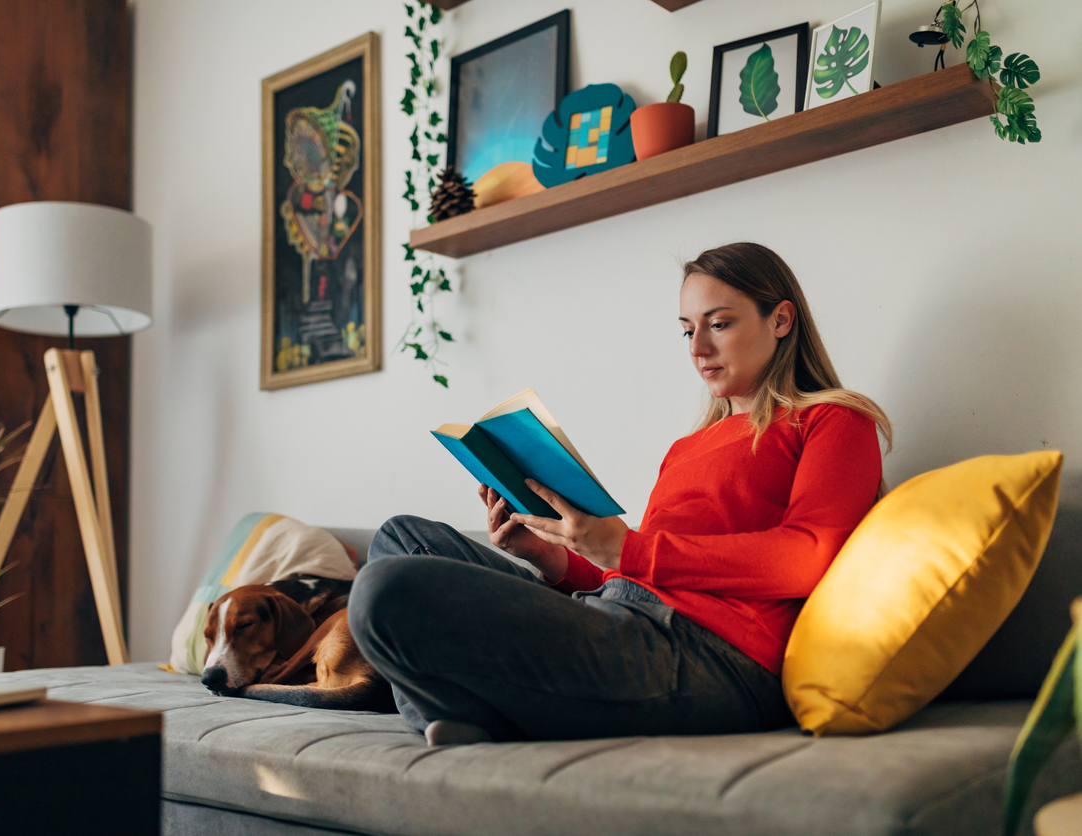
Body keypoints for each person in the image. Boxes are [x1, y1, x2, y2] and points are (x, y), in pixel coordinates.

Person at [347, 242, 891, 746]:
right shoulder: (687, 447)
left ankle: (466, 710)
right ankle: (475, 711)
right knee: (400, 539)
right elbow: (630, 576)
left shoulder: (833, 419)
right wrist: (556, 560)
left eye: (719, 324)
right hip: (619, 617)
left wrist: (627, 550)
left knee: (384, 593)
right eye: (686, 331)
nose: (698, 348)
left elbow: (809, 556)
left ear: (781, 319)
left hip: (713, 656)